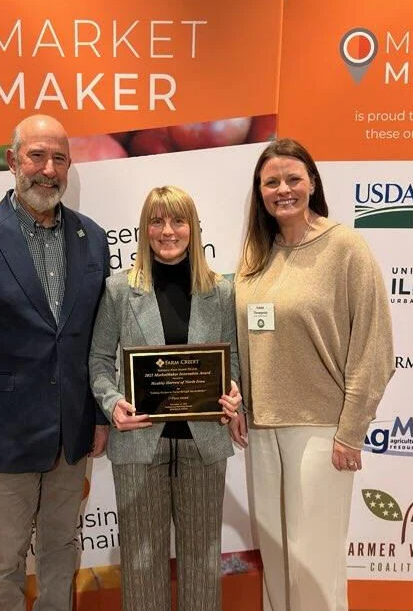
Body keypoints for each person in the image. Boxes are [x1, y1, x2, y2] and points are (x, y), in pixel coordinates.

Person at [0, 114, 110, 611]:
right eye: (37, 156)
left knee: (61, 553)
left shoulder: (93, 238)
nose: (48, 169)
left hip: (70, 436)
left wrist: (98, 415)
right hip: (0, 439)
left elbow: (99, 340)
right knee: (5, 563)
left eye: (59, 159)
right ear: (12, 161)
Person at [233, 138, 395, 611]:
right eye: (271, 182)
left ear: (312, 183)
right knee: (278, 564)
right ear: (259, 191)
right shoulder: (255, 256)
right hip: (264, 429)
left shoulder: (345, 247)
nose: (283, 189)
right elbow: (243, 340)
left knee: (314, 568)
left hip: (322, 430)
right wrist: (240, 402)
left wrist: (351, 432)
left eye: (293, 178)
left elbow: (375, 348)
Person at [89, 185, 243, 611]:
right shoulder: (119, 290)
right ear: (145, 229)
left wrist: (233, 392)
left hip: (203, 443)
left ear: (193, 228)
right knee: (141, 569)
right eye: (156, 221)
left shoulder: (221, 291)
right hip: (139, 445)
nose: (167, 231)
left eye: (178, 221)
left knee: (202, 567)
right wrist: (111, 403)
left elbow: (233, 360)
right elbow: (99, 359)